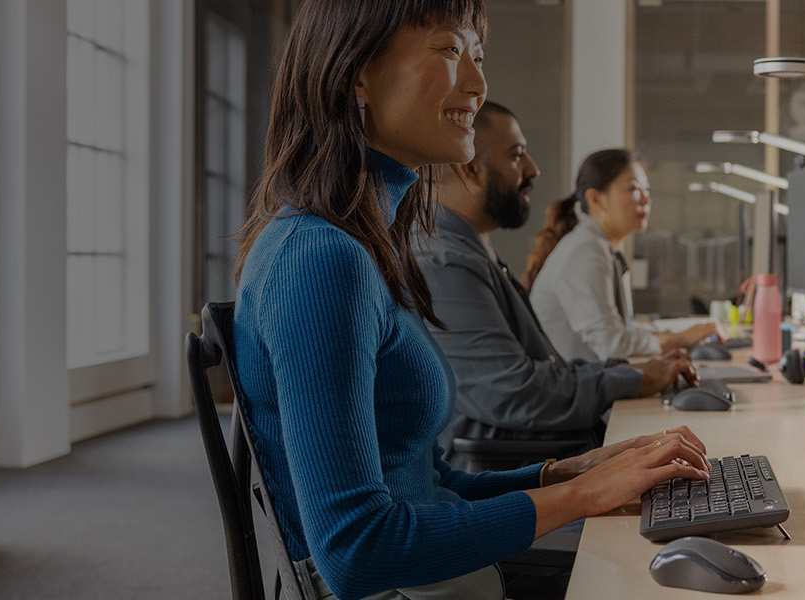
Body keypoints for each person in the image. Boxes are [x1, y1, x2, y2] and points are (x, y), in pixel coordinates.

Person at [231, 2, 708, 598]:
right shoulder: (318, 257)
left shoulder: (364, 247)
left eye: (477, 58)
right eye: (450, 51)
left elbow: (426, 486)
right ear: (356, 72)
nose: (479, 86)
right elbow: (356, 553)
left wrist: (568, 472)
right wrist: (583, 497)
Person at [417, 101, 694, 460]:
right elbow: (514, 394)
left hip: (540, 454)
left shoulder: (472, 251)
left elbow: (543, 370)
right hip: (513, 472)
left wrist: (631, 371)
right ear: (469, 169)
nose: (533, 168)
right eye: (517, 156)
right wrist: (634, 379)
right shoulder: (446, 261)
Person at [523, 150, 720, 362]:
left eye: (647, 189)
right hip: (573, 389)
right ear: (595, 198)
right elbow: (611, 345)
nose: (646, 199)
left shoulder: (601, 247)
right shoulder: (584, 252)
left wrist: (669, 336)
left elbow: (618, 328)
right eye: (634, 188)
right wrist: (676, 339)